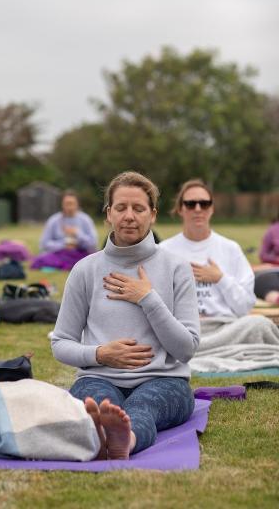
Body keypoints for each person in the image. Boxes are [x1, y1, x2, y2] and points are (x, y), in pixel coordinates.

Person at [51, 171, 199, 459]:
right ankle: (103, 434)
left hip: (165, 382)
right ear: (108, 214)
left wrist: (148, 298)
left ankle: (125, 440)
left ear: (153, 215)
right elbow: (60, 343)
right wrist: (100, 354)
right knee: (99, 407)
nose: (129, 216)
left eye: (139, 208)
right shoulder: (85, 270)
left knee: (142, 407)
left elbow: (186, 348)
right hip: (98, 378)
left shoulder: (177, 268)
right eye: (121, 207)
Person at [159, 179, 256, 317]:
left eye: (204, 204)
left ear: (212, 208)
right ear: (180, 209)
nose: (198, 209)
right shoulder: (164, 251)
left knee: (260, 324)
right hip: (181, 330)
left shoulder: (231, 249)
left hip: (224, 327)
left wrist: (220, 278)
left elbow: (245, 306)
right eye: (191, 204)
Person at [31, 190, 98, 271]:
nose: (69, 207)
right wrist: (63, 245)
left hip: (80, 253)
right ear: (62, 204)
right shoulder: (54, 220)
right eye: (67, 204)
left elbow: (93, 243)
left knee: (90, 261)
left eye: (72, 203)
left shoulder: (85, 219)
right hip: (60, 254)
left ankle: (69, 265)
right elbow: (44, 243)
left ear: (77, 204)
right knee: (39, 260)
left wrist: (78, 234)